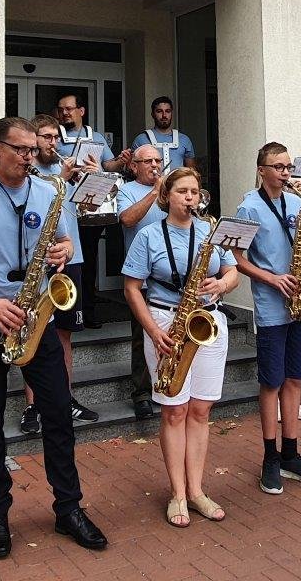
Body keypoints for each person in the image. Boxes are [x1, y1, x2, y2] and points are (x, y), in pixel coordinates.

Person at [0, 117, 107, 558]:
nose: (30, 156)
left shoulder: (48, 192)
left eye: (33, 150)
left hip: (37, 318)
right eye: (21, 149)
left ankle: (69, 508)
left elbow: (65, 244)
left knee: (58, 417)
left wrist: (62, 252)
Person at [123, 167, 237, 527]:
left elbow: (232, 272)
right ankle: (177, 493)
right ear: (167, 196)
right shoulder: (148, 235)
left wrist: (221, 286)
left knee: (201, 411)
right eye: (183, 191)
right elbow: (131, 288)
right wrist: (154, 331)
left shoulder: (209, 230)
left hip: (208, 321)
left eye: (195, 192)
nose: (191, 198)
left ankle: (197, 489)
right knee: (174, 411)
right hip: (166, 321)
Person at [232, 142, 301, 495]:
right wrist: (272, 278)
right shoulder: (249, 207)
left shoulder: (300, 202)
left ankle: (291, 453)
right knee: (271, 382)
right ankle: (269, 457)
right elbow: (237, 259)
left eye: (288, 166)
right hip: (273, 304)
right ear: (262, 170)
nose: (285, 172)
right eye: (278, 167)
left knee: (294, 380)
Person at [27, 114, 99, 430]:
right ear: (34, 140)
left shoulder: (65, 170)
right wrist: (63, 178)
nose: (52, 143)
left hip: (72, 258)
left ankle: (65, 399)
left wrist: (93, 184)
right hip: (40, 263)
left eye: (55, 137)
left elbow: (88, 210)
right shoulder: (30, 172)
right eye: (45, 137)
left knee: (65, 334)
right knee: (35, 331)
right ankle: (33, 406)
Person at [55, 91, 129, 328]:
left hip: (90, 207)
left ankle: (87, 311)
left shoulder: (95, 136)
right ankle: (64, 309)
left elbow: (109, 165)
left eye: (69, 108)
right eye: (62, 109)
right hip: (65, 207)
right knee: (64, 259)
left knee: (88, 260)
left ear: (81, 111)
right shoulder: (55, 135)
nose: (65, 113)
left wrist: (122, 160)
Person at [117, 143, 169, 420]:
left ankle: (169, 383)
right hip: (141, 278)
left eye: (158, 160)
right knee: (142, 337)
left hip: (172, 276)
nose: (154, 165)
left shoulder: (170, 187)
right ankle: (141, 393)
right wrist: (154, 193)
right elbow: (127, 219)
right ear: (134, 166)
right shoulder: (126, 190)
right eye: (147, 161)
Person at [131, 96, 197, 171]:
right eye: (159, 111)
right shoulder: (141, 139)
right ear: (152, 114)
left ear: (171, 113)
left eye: (168, 111)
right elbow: (132, 170)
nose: (164, 115)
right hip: (149, 182)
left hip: (177, 182)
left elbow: (191, 172)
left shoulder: (184, 140)